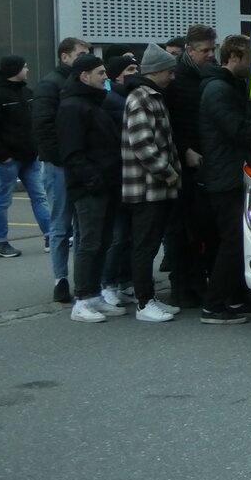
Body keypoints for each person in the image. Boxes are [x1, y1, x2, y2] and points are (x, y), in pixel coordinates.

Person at [198, 34, 251, 324]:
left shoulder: (228, 86)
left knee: (239, 240)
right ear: (234, 57)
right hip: (224, 176)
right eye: (250, 59)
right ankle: (213, 305)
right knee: (233, 240)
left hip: (228, 173)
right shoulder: (218, 89)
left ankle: (237, 299)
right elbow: (236, 129)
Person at [57, 55, 126, 323]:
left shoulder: (93, 103)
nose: (105, 78)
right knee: (90, 242)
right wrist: (93, 181)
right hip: (90, 188)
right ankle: (83, 299)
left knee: (103, 241)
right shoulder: (73, 107)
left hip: (105, 184)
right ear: (84, 76)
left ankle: (94, 294)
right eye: (100, 73)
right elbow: (72, 153)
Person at [121, 44, 182, 323]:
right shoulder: (141, 98)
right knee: (145, 247)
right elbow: (142, 144)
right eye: (170, 71)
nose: (172, 76)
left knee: (149, 245)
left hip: (154, 187)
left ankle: (149, 299)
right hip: (146, 188)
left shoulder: (152, 95)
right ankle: (144, 303)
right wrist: (167, 171)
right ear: (157, 71)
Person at [165, 24, 218, 307]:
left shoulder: (208, 73)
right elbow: (171, 121)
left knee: (202, 228)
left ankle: (198, 282)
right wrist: (184, 148)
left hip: (205, 158)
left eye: (213, 49)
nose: (211, 55)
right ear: (189, 50)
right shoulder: (178, 78)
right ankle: (181, 286)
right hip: (184, 160)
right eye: (205, 50)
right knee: (181, 228)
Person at [33, 37, 90, 300]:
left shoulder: (82, 83)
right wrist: (61, 158)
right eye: (81, 54)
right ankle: (60, 279)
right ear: (64, 57)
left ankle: (83, 279)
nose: (85, 57)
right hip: (59, 165)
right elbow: (44, 126)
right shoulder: (50, 85)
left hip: (79, 162)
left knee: (82, 223)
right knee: (60, 224)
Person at [0, 55, 52, 258]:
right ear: (14, 69)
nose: (28, 70)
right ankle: (2, 243)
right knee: (3, 200)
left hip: (30, 156)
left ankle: (51, 236)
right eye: (24, 67)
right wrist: (2, 155)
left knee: (39, 196)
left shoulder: (27, 92)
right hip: (8, 159)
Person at [99, 55, 140, 309]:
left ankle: (123, 281)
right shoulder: (113, 100)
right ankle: (108, 283)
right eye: (130, 69)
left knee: (126, 236)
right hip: (117, 176)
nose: (135, 72)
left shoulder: (125, 97)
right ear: (116, 75)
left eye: (137, 68)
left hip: (125, 176)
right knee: (117, 236)